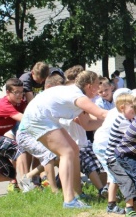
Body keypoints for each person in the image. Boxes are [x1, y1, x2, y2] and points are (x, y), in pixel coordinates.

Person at [20, 70, 107, 208]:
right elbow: (102, 114)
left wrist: (109, 121)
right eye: (97, 84)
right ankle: (69, 200)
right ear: (89, 86)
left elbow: (87, 125)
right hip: (38, 118)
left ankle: (77, 194)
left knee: (74, 149)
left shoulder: (78, 95)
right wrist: (123, 115)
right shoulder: (78, 96)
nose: (99, 88)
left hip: (44, 117)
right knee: (67, 152)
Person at [104, 93, 136, 217]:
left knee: (127, 178)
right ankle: (129, 209)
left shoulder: (130, 119)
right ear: (122, 108)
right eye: (132, 106)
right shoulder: (122, 121)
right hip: (113, 158)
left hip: (122, 156)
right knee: (126, 180)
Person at [92, 88, 132, 214]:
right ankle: (111, 204)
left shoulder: (115, 111)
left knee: (113, 174)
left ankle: (112, 199)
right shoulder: (120, 117)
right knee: (114, 174)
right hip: (104, 146)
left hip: (104, 144)